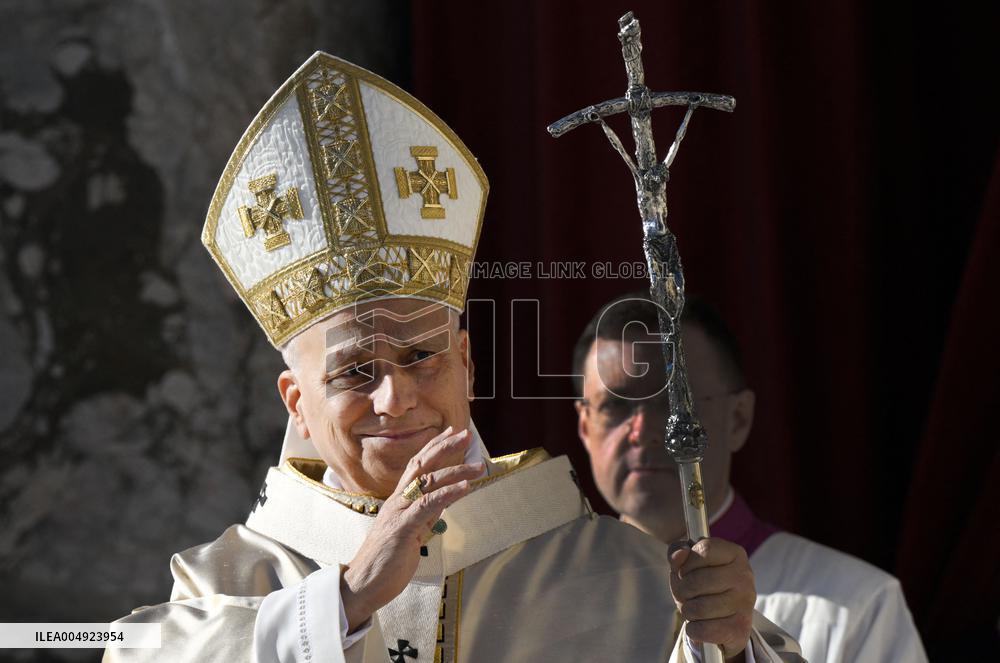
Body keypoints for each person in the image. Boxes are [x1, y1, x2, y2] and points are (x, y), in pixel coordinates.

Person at [103, 53, 802, 662]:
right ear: (296, 402)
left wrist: (733, 645)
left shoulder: (616, 572)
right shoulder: (233, 581)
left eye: (419, 356)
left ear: (466, 361)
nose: (395, 398)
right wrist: (343, 602)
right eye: (355, 371)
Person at [572, 292, 928, 662]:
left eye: (674, 403)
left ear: (738, 418)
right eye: (615, 405)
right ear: (584, 427)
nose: (642, 429)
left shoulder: (856, 606)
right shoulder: (555, 608)